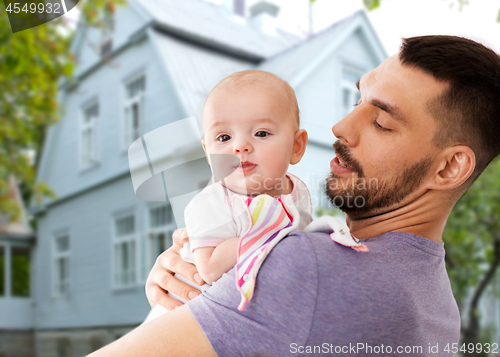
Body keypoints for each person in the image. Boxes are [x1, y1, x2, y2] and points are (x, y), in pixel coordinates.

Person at [89, 36, 500, 357]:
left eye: (380, 121)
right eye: (356, 100)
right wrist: (200, 287)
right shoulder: (440, 307)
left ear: (450, 167)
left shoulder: (301, 266)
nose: (341, 127)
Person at [145, 70, 314, 322]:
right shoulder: (211, 203)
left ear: (296, 146)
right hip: (178, 314)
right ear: (208, 153)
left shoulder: (298, 191)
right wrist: (266, 238)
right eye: (224, 137)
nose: (239, 146)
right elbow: (209, 269)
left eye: (261, 133)